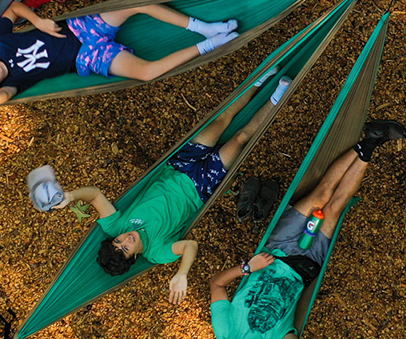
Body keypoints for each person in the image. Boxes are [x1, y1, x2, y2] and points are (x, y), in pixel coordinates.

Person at [210, 119, 406, 339]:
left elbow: (216, 284)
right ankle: (373, 143)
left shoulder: (227, 331)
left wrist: (247, 267)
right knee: (334, 209)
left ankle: (365, 141)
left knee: (321, 195)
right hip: (307, 265)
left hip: (275, 249)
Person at [52, 74, 294, 300]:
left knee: (221, 120)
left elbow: (94, 195)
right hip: (201, 186)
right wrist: (182, 273)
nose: (126, 238)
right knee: (240, 139)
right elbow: (190, 245)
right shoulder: (157, 253)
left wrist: (70, 196)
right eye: (126, 247)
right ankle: (275, 98)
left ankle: (259, 80)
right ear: (135, 256)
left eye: (118, 241)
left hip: (177, 166)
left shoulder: (116, 225)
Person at [0, 0, 238, 108]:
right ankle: (211, 45)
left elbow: (15, 7)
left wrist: (37, 21)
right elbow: (2, 98)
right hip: (87, 56)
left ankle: (205, 28)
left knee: (139, 3)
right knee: (147, 73)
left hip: (81, 26)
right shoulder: (13, 83)